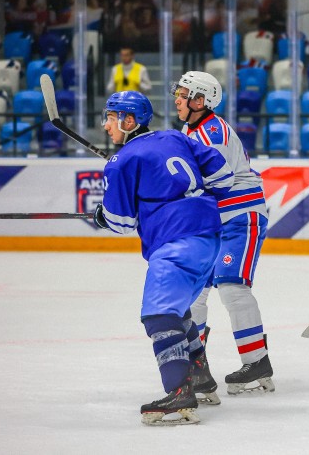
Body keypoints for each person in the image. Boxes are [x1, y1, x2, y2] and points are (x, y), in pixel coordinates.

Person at [93, 90, 235, 426]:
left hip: (175, 243)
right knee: (178, 312)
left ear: (130, 121)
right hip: (209, 237)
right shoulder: (175, 136)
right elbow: (223, 177)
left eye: (112, 118)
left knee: (158, 316)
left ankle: (179, 392)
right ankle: (200, 377)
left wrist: (101, 216)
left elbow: (121, 222)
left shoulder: (122, 160)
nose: (106, 124)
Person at [169, 70, 274, 400]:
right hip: (215, 222)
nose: (177, 98)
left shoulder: (211, 133)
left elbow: (212, 183)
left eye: (184, 93)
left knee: (231, 287)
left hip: (240, 218)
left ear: (200, 100)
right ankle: (197, 370)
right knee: (195, 295)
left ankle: (257, 363)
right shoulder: (192, 128)